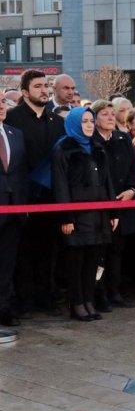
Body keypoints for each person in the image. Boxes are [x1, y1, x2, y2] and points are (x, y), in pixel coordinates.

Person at [6, 70, 64, 316]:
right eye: (38, 86)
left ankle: (45, 297)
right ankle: (23, 300)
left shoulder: (57, 121)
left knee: (49, 249)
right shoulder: (12, 119)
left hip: (51, 197)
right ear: (25, 92)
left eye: (46, 85)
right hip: (21, 198)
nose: (44, 90)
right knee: (22, 252)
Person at [51, 107, 118, 321]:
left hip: (99, 215)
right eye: (85, 121)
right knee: (76, 262)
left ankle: (89, 301)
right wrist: (66, 217)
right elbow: (60, 186)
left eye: (91, 120)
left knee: (93, 261)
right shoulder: (63, 149)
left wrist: (112, 212)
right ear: (74, 124)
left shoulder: (98, 147)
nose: (89, 125)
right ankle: (77, 303)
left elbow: (108, 182)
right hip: (77, 216)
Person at [91, 99, 135, 311]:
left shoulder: (123, 139)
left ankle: (115, 291)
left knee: (117, 251)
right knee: (99, 253)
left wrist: (132, 190)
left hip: (123, 203)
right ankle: (98, 294)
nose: (111, 117)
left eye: (113, 114)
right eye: (105, 114)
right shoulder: (91, 141)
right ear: (94, 119)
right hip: (101, 205)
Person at [0, 98, 28, 327]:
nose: (1, 106)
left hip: (14, 208)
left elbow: (20, 172)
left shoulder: (14, 133)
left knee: (7, 263)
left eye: (2, 102)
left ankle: (4, 308)